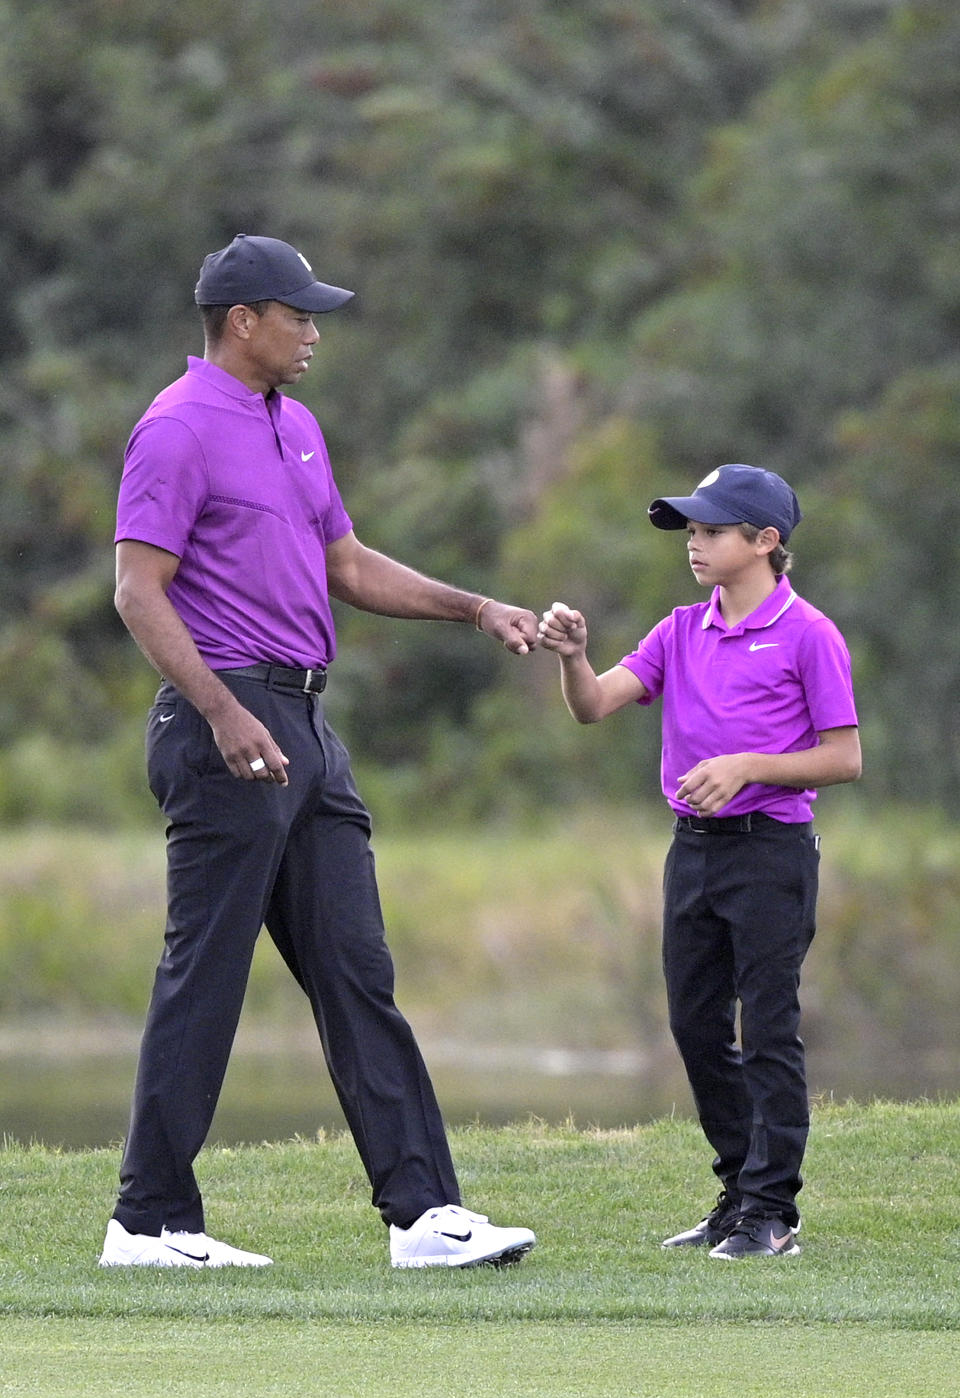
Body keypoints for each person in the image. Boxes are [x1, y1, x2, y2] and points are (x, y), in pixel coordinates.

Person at [99, 233, 538, 1271]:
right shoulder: (174, 429)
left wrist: (474, 608)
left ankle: (424, 1216)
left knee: (355, 967)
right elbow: (136, 590)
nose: (313, 332)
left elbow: (345, 562)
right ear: (241, 321)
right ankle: (149, 1222)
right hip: (227, 724)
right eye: (298, 315)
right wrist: (217, 709)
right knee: (205, 973)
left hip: (304, 725)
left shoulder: (294, 425)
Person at [538, 464, 860, 1259]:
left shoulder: (809, 633)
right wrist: (574, 656)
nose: (696, 543)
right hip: (694, 854)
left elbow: (844, 757)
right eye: (691, 530)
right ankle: (737, 1192)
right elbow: (593, 705)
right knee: (693, 1022)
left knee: (771, 1028)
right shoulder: (679, 628)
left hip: (772, 854)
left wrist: (749, 764)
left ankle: (773, 1210)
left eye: (712, 530)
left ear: (765, 541)